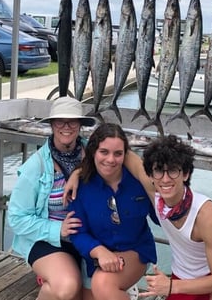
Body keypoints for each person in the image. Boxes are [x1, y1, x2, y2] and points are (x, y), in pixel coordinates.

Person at [125, 135, 212, 300]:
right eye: (158, 171)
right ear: (150, 175)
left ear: (185, 174)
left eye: (173, 170)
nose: (165, 179)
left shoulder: (205, 214)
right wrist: (78, 173)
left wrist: (171, 286)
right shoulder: (156, 194)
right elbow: (126, 153)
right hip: (184, 275)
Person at [7, 96, 97, 300]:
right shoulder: (36, 166)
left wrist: (79, 171)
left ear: (80, 125)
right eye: (59, 121)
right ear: (51, 125)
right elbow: (16, 218)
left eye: (72, 121)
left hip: (87, 238)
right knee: (66, 287)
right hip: (47, 240)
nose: (66, 126)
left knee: (94, 293)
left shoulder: (94, 155)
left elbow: (122, 154)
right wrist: (58, 229)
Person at [68, 123, 157, 300]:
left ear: (126, 155)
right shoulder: (81, 185)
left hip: (135, 251)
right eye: (104, 152)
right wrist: (99, 251)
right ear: (93, 151)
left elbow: (161, 218)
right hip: (96, 257)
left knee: (103, 283)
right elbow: (78, 232)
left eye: (118, 153)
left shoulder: (138, 181)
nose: (110, 160)